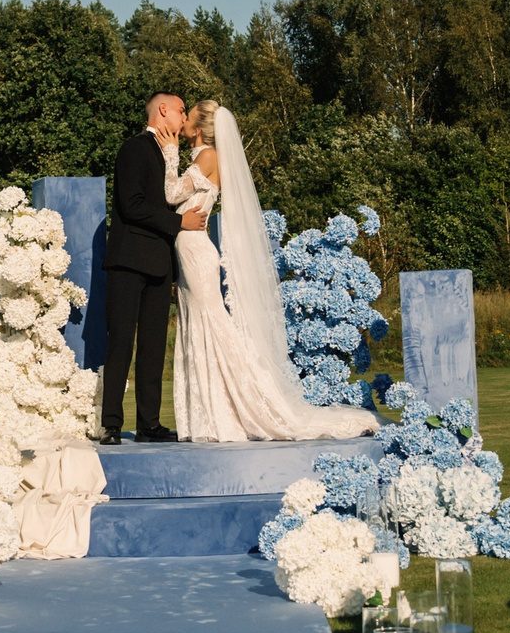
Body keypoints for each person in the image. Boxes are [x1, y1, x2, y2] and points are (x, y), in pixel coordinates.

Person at [164, 99, 376, 442]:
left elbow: (172, 194)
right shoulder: (200, 158)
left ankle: (239, 408)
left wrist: (169, 152)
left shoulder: (207, 156)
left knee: (212, 326)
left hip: (195, 249)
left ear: (199, 128)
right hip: (187, 249)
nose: (183, 121)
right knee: (197, 326)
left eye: (188, 117)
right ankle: (207, 416)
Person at [100, 93, 186, 445]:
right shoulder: (133, 148)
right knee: (121, 342)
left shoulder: (169, 154)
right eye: (181, 110)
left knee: (153, 347)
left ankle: (149, 424)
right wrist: (179, 222)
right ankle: (111, 425)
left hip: (160, 263)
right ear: (163, 110)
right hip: (128, 260)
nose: (183, 118)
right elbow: (132, 205)